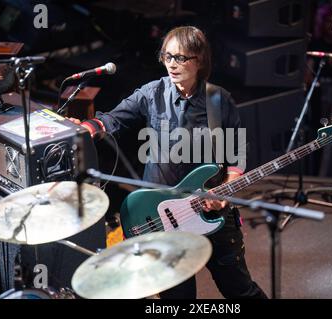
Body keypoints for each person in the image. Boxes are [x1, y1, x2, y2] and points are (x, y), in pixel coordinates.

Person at [70, 26, 267, 299]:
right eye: (167, 56)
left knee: (240, 291)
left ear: (199, 61)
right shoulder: (152, 93)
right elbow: (113, 119)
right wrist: (88, 127)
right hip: (162, 218)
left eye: (181, 58)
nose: (172, 65)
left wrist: (226, 191)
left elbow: (236, 156)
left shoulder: (218, 100)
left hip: (209, 211)